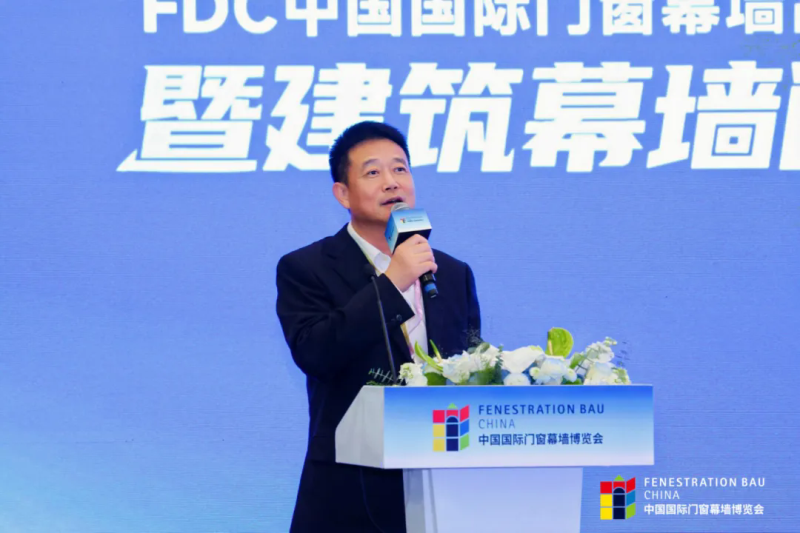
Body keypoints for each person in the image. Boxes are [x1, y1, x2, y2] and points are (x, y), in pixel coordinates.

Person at [276, 121, 481, 533]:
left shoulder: (452, 271)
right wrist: (393, 281)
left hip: (445, 488)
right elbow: (317, 353)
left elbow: (472, 366)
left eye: (400, 169)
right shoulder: (306, 268)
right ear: (343, 194)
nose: (391, 182)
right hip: (349, 492)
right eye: (373, 172)